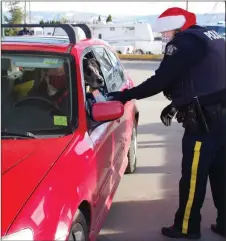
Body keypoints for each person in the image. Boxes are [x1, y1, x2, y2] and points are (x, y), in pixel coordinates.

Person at [107, 7, 226, 240]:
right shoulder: (213, 37)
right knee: (221, 174)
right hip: (222, 121)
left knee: (193, 177)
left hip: (203, 124)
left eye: (166, 32)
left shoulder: (183, 43)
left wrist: (125, 95)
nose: (165, 37)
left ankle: (186, 227)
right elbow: (203, 77)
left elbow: (161, 80)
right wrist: (177, 104)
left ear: (178, 26)